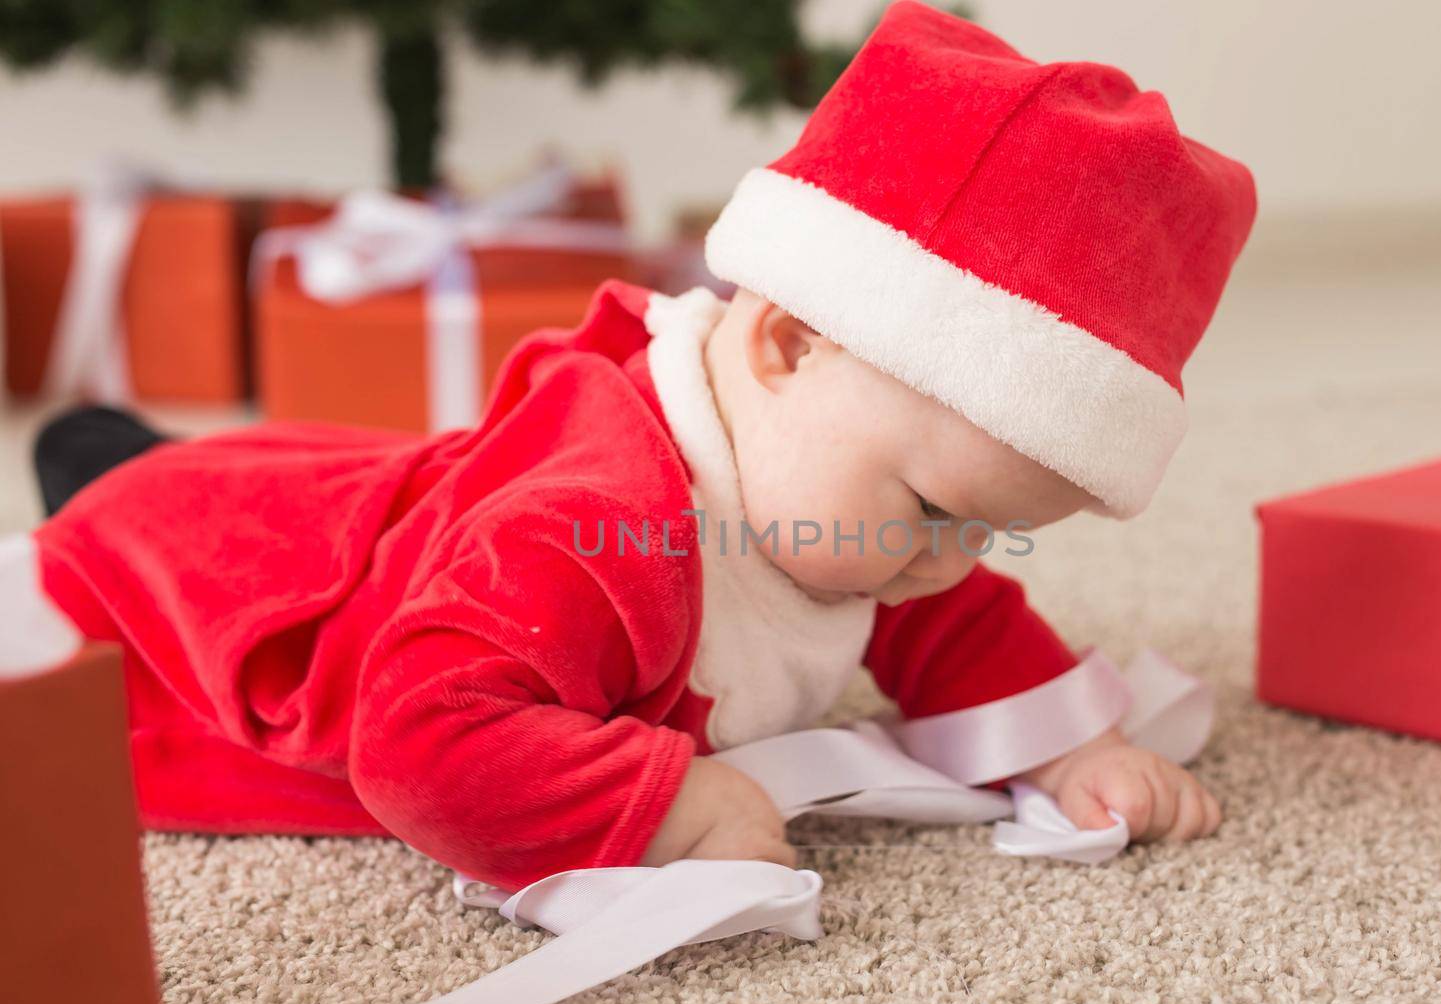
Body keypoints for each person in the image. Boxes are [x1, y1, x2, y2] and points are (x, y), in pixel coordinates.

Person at [9, 1, 1255, 891]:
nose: (947, 560)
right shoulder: (598, 527)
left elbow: (950, 617)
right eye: (937, 509)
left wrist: (1069, 743)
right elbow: (415, 741)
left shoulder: (863, 519)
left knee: (317, 475)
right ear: (786, 345)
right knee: (153, 526)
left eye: (988, 525)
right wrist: (655, 803)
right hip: (185, 585)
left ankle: (111, 450)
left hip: (397, 493)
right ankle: (103, 462)